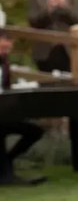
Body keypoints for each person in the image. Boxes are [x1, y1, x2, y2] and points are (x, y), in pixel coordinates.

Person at [0, 33, 47, 185]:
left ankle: (7, 162)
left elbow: (6, 87)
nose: (6, 51)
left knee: (35, 131)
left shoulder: (4, 62)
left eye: (8, 48)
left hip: (3, 112)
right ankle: (6, 175)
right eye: (4, 47)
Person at [25, 0, 78, 73]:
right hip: (44, 51)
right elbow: (33, 22)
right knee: (45, 81)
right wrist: (48, 10)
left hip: (68, 50)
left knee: (68, 81)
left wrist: (65, 7)